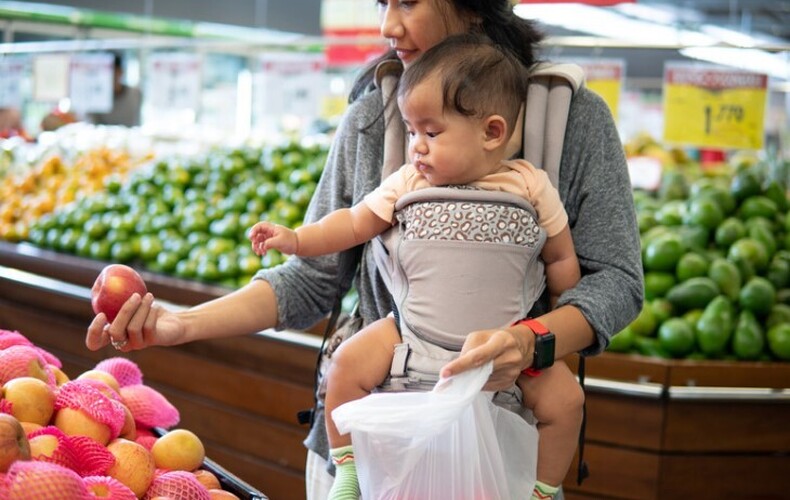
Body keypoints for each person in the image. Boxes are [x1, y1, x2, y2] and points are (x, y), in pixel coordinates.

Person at [85, 1, 644, 498]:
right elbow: (310, 279)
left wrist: (531, 342)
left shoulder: (573, 121)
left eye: (406, 1)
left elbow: (616, 280)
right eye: (380, 2)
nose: (386, 25)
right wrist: (180, 325)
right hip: (369, 447)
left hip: (504, 456)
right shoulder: (373, 119)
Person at [249, 33, 583, 500]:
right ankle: (348, 468)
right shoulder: (406, 181)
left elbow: (561, 257)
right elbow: (352, 224)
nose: (416, 148)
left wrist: (558, 329)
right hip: (408, 339)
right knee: (344, 365)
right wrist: (298, 239)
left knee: (567, 401)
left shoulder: (530, 185)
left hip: (504, 351)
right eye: (410, 132)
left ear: (493, 132)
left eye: (431, 132)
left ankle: (542, 491)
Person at [88, 52, 142, 127]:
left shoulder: (135, 94)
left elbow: (137, 123)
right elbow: (93, 125)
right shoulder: (96, 97)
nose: (108, 77)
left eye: (112, 72)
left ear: (120, 72)